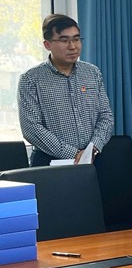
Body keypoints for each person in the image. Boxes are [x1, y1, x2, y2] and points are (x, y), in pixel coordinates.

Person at [17, 14, 114, 167]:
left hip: (94, 158)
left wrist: (93, 148)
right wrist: (73, 154)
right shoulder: (30, 79)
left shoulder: (92, 73)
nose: (73, 46)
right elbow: (31, 128)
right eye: (64, 40)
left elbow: (106, 116)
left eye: (76, 39)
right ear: (47, 44)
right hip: (49, 162)